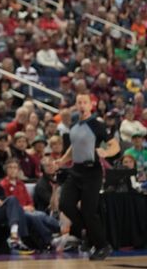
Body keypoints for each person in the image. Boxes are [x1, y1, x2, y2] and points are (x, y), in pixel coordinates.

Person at [57, 91, 120, 260]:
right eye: (79, 102)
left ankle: (102, 245)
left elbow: (115, 146)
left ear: (90, 105)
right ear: (76, 105)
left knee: (88, 211)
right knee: (65, 204)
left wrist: (105, 153)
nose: (82, 105)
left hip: (92, 172)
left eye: (85, 102)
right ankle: (87, 234)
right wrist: (62, 160)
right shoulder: (74, 127)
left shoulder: (97, 125)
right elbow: (73, 147)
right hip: (76, 170)